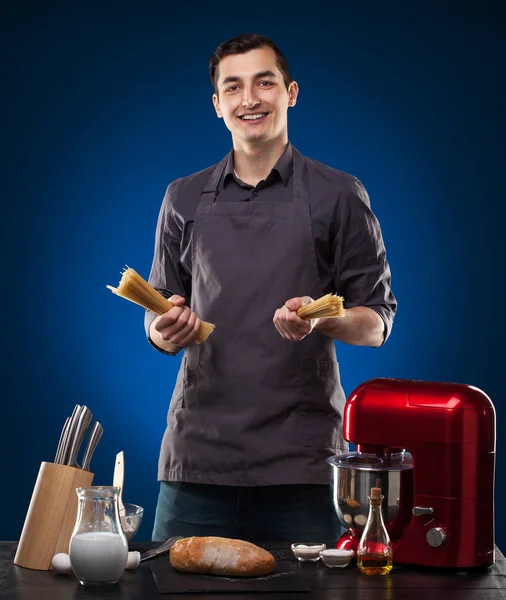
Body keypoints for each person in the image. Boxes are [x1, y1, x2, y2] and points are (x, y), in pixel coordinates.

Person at [145, 33, 396, 542]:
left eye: (265, 82)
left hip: (301, 463)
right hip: (198, 459)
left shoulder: (339, 195)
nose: (250, 99)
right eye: (233, 87)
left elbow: (377, 323)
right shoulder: (183, 198)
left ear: (291, 92)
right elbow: (155, 317)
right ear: (218, 104)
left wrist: (328, 318)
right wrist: (164, 329)